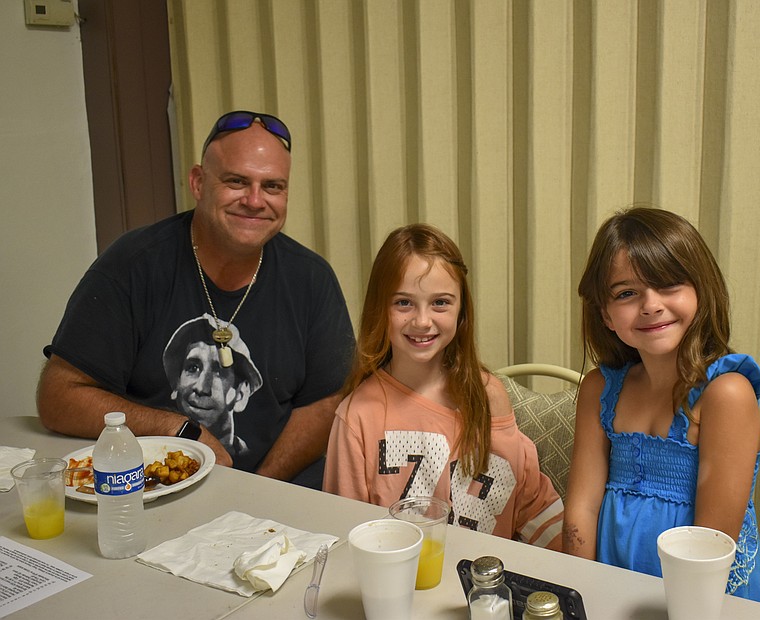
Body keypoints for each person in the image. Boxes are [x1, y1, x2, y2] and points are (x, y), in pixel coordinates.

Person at [37, 110, 355, 489]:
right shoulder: (134, 264)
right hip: (154, 493)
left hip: (275, 494)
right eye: (237, 181)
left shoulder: (312, 279)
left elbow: (324, 402)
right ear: (199, 182)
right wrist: (181, 430)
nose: (255, 201)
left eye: (272, 187)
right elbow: (58, 397)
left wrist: (258, 489)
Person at [562, 206, 760, 602]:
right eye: (626, 293)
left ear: (700, 291)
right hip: (608, 591)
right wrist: (581, 596)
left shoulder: (726, 395)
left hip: (701, 600)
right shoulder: (599, 389)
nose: (651, 304)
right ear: (605, 314)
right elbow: (581, 512)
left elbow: (710, 549)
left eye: (669, 284)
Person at [323, 223, 564, 551]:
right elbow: (346, 537)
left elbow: (528, 504)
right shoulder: (356, 417)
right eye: (404, 303)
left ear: (462, 309)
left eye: (440, 303)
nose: (422, 321)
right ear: (380, 308)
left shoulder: (488, 394)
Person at [163, 314, 262, 456]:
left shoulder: (249, 458)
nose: (201, 387)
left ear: (241, 394)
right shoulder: (157, 455)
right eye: (192, 368)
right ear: (176, 382)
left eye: (219, 372)